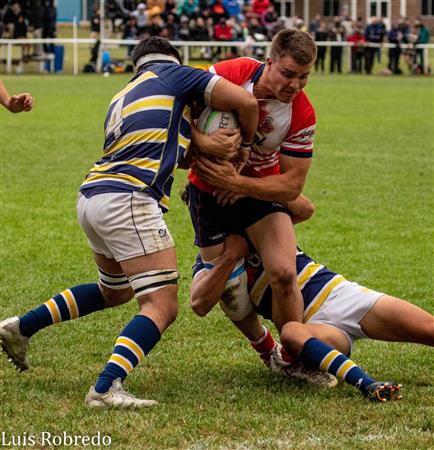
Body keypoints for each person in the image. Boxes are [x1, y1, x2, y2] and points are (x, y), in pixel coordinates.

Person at [0, 37, 259, 409]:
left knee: (114, 291)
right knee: (162, 304)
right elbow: (246, 101)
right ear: (173, 59)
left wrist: (204, 145)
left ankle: (20, 327)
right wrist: (243, 150)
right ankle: (105, 388)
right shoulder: (175, 75)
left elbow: (171, 149)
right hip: (129, 198)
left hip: (92, 197)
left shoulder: (125, 95)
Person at [189, 224, 434, 402]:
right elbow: (199, 302)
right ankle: (368, 384)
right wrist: (230, 256)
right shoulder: (210, 263)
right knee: (291, 333)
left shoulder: (264, 222)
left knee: (428, 329)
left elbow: (304, 206)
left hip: (342, 295)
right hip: (314, 331)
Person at [188, 30, 317, 337]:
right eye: (288, 74)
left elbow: (292, 185)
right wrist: (204, 141)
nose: (295, 85)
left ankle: (296, 356)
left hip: (259, 191)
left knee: (285, 274)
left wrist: (238, 183)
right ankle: (266, 349)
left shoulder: (301, 112)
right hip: (208, 189)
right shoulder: (235, 73)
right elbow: (175, 106)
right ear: (269, 62)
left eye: (304, 77)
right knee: (229, 292)